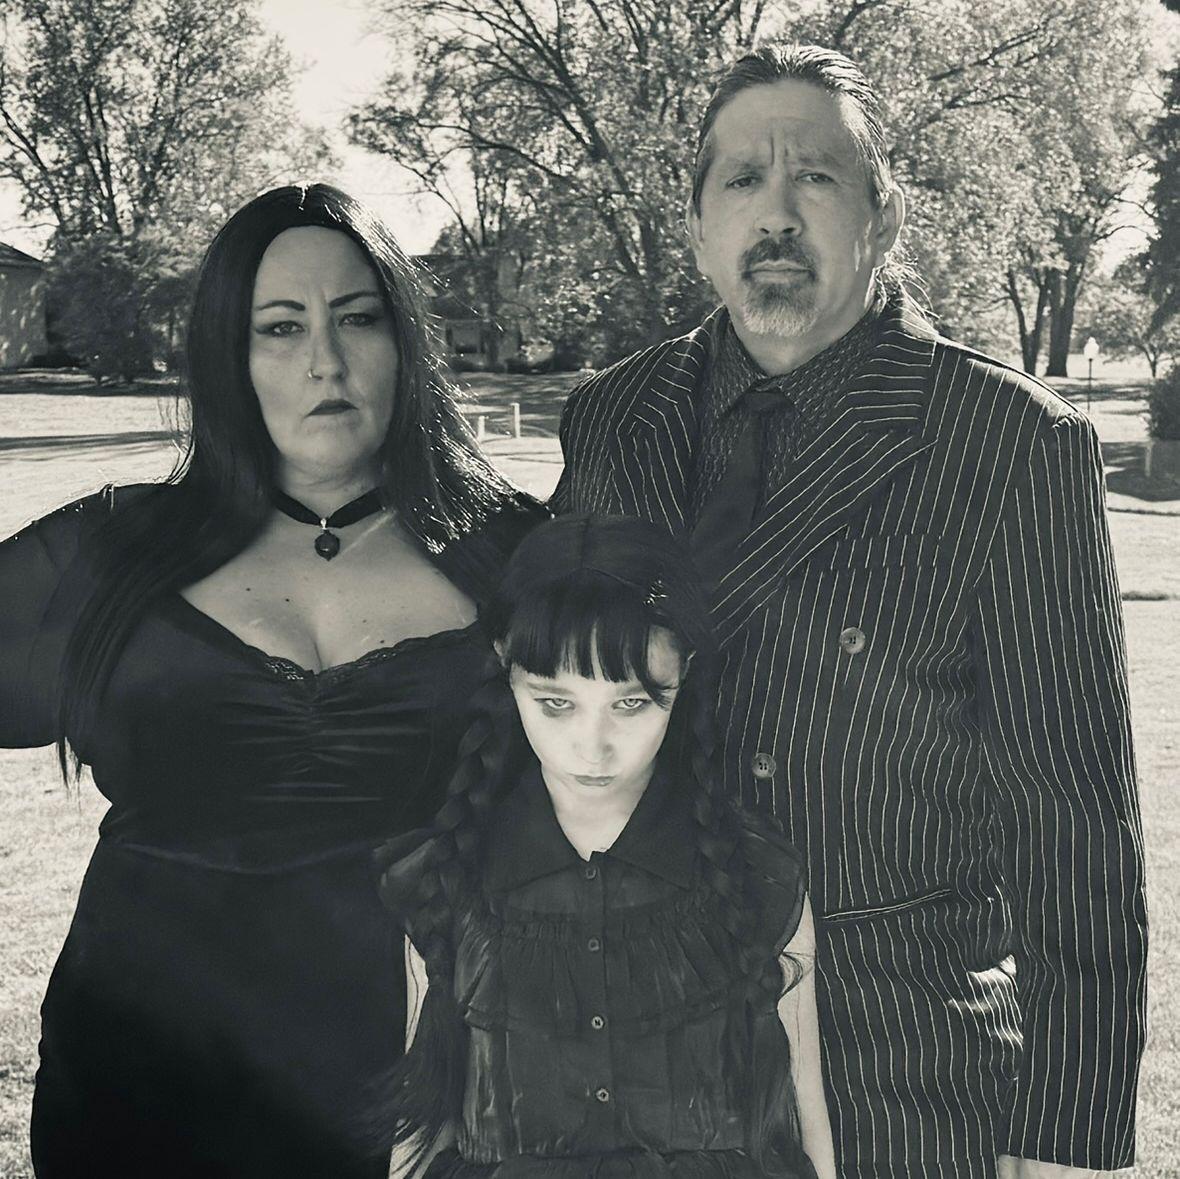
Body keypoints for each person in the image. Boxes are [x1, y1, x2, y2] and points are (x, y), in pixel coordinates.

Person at [551, 42, 1147, 1179]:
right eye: (743, 179)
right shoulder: (614, 420)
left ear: (885, 216)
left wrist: (1065, 1144)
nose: (776, 214)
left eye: (816, 177)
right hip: (630, 1063)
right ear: (697, 226)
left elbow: (1072, 814)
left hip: (903, 1076)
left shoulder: (1008, 441)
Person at [0, 183, 543, 1177]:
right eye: (280, 327)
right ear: (229, 355)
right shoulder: (112, 552)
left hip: (408, 1100)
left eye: (357, 319)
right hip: (136, 1086)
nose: (324, 361)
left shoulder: (516, 558)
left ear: (405, 342)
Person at [375, 513, 837, 1179]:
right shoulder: (445, 877)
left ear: (683, 673)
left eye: (631, 704)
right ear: (505, 665)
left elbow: (805, 1116)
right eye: (556, 703)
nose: (592, 748)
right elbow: (419, 1132)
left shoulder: (758, 873)